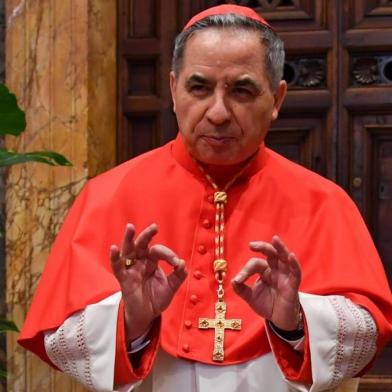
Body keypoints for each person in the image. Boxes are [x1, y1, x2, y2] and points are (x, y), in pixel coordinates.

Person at [18, 4, 392, 392]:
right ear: (173, 90)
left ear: (277, 98)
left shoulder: (324, 203)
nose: (217, 112)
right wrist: (132, 320)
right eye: (199, 88)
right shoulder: (107, 195)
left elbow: (365, 338)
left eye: (241, 90)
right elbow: (62, 341)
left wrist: (294, 320)